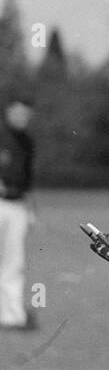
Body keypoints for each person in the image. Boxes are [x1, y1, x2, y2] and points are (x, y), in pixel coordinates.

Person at [0, 96, 37, 331]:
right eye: (17, 113)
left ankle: (11, 316)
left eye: (26, 115)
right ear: (8, 112)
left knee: (14, 262)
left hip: (17, 206)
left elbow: (28, 178)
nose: (21, 118)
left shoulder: (27, 142)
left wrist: (31, 208)